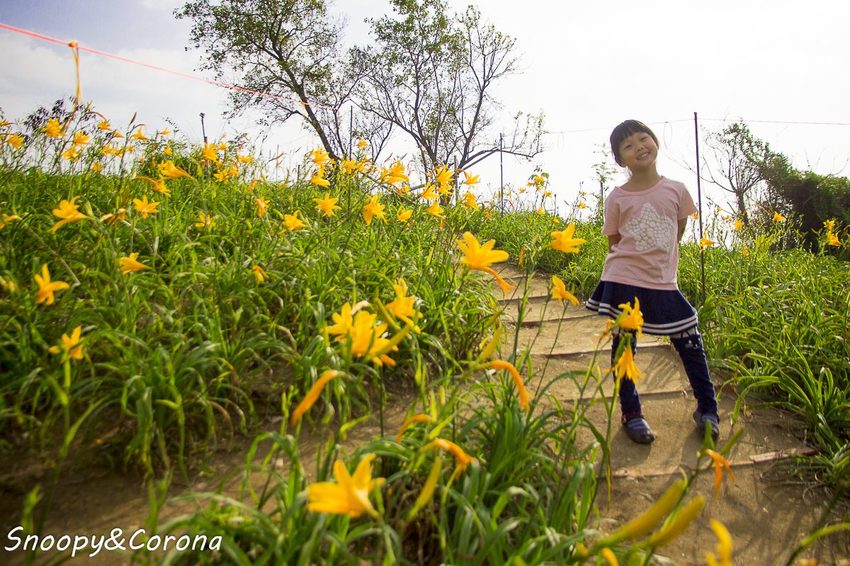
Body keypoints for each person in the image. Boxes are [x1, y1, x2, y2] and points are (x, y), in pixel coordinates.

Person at [586, 119, 719, 445]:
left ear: (655, 142)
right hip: (624, 279)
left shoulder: (677, 189)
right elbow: (614, 242)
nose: (639, 147)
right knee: (625, 347)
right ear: (620, 160)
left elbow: (678, 229)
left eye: (643, 138)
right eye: (628, 145)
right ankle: (631, 412)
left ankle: (708, 410)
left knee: (689, 338)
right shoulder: (617, 197)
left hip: (663, 282)